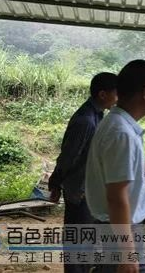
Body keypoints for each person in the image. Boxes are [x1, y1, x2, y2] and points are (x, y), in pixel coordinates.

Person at [85, 60, 145, 273]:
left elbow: (117, 186)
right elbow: (116, 197)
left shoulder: (116, 124)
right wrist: (127, 253)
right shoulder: (122, 134)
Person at [47, 72, 117, 273]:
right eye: (116, 93)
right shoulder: (85, 120)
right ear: (103, 94)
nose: (119, 98)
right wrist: (55, 182)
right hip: (80, 191)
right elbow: (68, 157)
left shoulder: (97, 115)